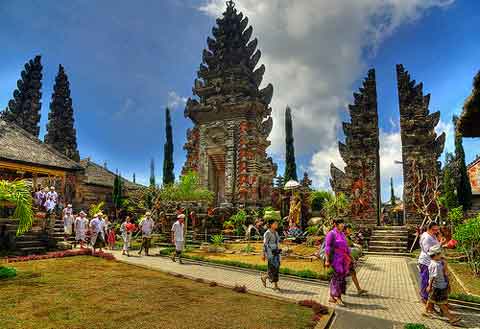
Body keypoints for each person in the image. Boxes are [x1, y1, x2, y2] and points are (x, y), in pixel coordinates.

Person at [424, 245, 461, 325]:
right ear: (436, 255)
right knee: (441, 303)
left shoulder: (439, 262)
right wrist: (429, 286)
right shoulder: (435, 265)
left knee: (431, 299)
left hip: (441, 285)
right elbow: (432, 277)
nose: (442, 255)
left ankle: (427, 311)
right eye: (440, 254)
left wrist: (444, 264)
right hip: (437, 287)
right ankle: (451, 318)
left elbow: (443, 270)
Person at [325, 219, 350, 307]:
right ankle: (338, 297)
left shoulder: (342, 234)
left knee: (339, 278)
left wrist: (349, 256)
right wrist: (327, 260)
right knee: (338, 277)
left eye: (343, 223)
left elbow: (346, 246)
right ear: (336, 224)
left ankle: (332, 296)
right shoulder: (331, 234)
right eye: (340, 223)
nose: (342, 225)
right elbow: (327, 248)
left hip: (343, 259)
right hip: (335, 259)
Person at [418, 222, 440, 304]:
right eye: (434, 230)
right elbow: (428, 251)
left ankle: (428, 299)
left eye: (437, 230)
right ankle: (424, 298)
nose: (436, 231)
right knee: (426, 280)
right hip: (426, 262)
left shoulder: (432, 235)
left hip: (432, 262)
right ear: (429, 229)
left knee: (430, 281)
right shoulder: (426, 237)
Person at [344, 224, 368, 296]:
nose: (350, 230)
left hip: (348, 258)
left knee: (352, 273)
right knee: (343, 275)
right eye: (349, 229)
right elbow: (346, 249)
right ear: (345, 229)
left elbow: (351, 245)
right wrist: (352, 258)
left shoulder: (347, 237)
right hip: (345, 259)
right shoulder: (343, 237)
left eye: (350, 229)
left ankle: (358, 289)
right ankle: (339, 291)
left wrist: (357, 246)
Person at [261, 219, 281, 290]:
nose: (276, 225)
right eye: (275, 223)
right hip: (270, 253)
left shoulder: (276, 233)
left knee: (276, 268)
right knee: (272, 268)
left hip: (276, 252)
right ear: (271, 225)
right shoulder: (267, 233)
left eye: (277, 223)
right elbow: (264, 244)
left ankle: (266, 278)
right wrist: (263, 254)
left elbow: (278, 242)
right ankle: (274, 284)